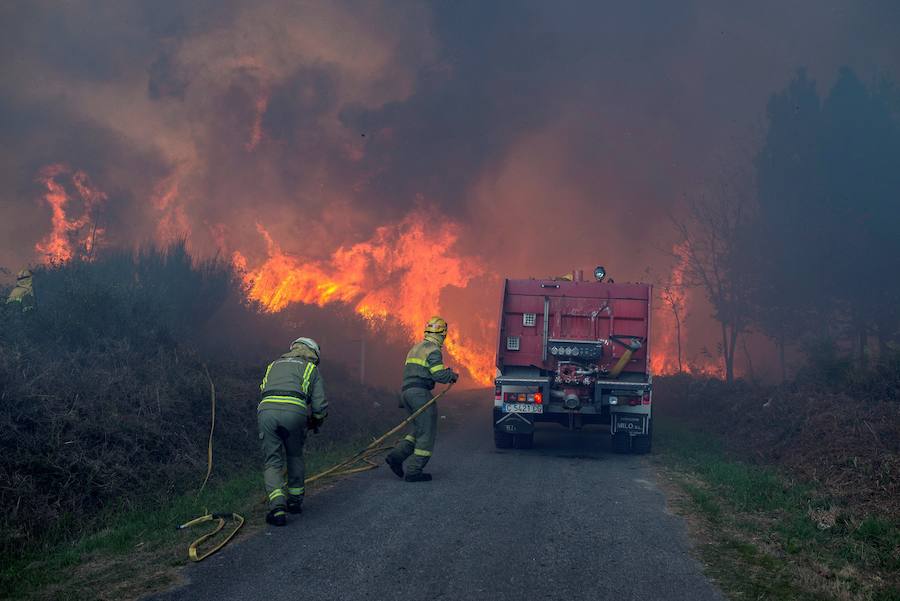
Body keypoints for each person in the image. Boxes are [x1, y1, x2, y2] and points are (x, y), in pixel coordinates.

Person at [257, 337, 327, 526]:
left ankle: (277, 507)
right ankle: (294, 502)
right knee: (294, 456)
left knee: (272, 461)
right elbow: (319, 406)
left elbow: (264, 389)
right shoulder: (311, 368)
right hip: (295, 411)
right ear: (312, 353)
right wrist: (316, 422)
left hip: (267, 411)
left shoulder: (273, 365)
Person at [385, 316, 458, 482]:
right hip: (420, 394)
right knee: (427, 432)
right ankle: (414, 471)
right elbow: (438, 374)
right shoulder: (433, 350)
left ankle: (395, 457)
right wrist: (451, 375)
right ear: (442, 334)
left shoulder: (416, 348)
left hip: (406, 393)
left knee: (418, 430)